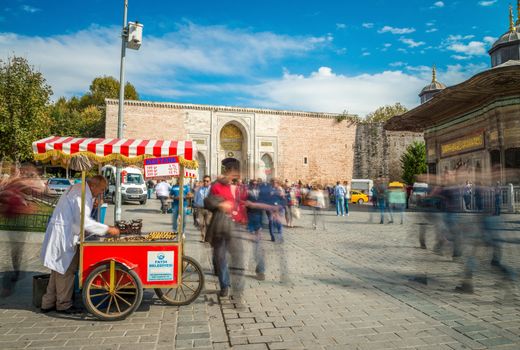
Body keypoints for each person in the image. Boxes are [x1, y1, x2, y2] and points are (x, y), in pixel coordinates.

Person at [40, 176, 120, 314]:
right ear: (93, 185)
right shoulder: (81, 195)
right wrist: (107, 229)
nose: (101, 193)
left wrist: (93, 203)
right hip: (63, 235)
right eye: (101, 189)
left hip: (65, 232)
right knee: (66, 270)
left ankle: (47, 302)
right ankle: (63, 304)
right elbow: (85, 222)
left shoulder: (81, 191)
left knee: (57, 270)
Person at [205, 172, 245, 298]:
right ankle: (224, 285)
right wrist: (219, 204)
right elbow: (208, 202)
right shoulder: (216, 187)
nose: (230, 176)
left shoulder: (236, 189)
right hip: (219, 226)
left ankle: (234, 283)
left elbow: (240, 205)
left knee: (236, 256)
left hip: (233, 226)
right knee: (221, 257)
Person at [194, 176, 212, 242]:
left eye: (207, 181)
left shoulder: (212, 190)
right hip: (200, 208)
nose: (205, 182)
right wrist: (196, 204)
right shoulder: (199, 189)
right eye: (204, 181)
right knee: (201, 224)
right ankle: (203, 236)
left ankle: (208, 236)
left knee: (208, 223)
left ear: (210, 182)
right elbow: (195, 197)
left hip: (209, 209)